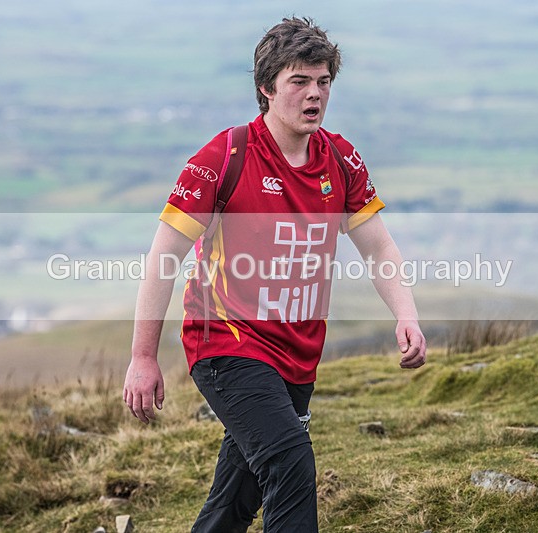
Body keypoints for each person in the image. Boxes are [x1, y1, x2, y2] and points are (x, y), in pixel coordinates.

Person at [123, 17, 426, 532]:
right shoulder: (225, 157)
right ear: (266, 88)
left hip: (298, 354)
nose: (315, 95)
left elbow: (378, 245)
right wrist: (142, 357)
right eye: (299, 82)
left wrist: (407, 314)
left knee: (237, 497)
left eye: (324, 81)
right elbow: (163, 257)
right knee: (289, 462)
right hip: (227, 344)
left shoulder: (340, 158)